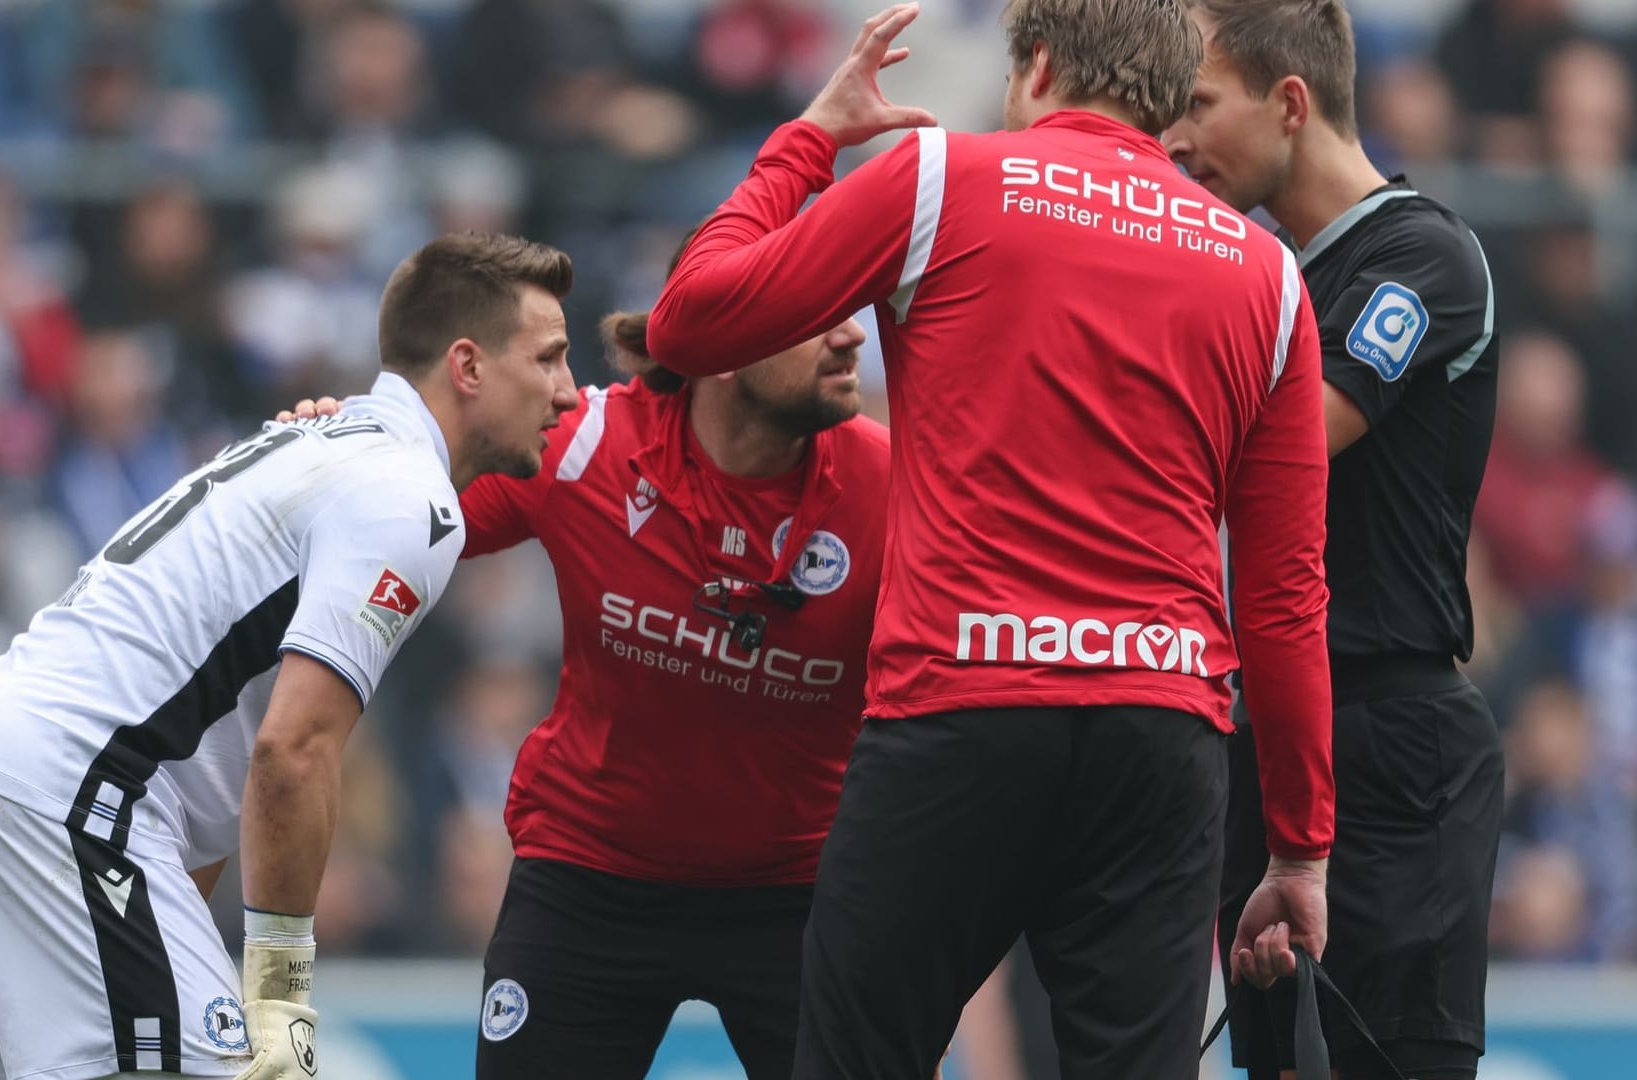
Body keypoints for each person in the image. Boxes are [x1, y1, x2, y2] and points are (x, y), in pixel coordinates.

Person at [646, 3, 1336, 1077]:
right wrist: (1298, 846)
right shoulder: (1268, 275)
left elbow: (689, 322)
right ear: (1167, 95)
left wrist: (814, 135)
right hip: (1160, 735)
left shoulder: (935, 180)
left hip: (960, 712)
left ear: (1042, 67)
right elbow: (1286, 597)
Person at [0, 232, 579, 1080]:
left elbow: (205, 756)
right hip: (67, 791)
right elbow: (292, 750)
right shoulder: (408, 495)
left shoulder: (312, 445)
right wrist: (281, 993)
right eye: (549, 359)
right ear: (468, 365)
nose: (567, 391)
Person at [281, 229, 906, 1079]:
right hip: (590, 879)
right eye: (814, 313)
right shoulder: (583, 444)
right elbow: (393, 507)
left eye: (850, 309)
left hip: (801, 894)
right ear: (720, 341)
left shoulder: (901, 486)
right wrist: (332, 456)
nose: (852, 335)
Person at [1162, 3, 1505, 1077]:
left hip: (1393, 742)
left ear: (1291, 103)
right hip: (1265, 738)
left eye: (1201, 103)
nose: (1177, 137)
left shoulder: (1424, 256)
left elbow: (1285, 447)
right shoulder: (1270, 277)